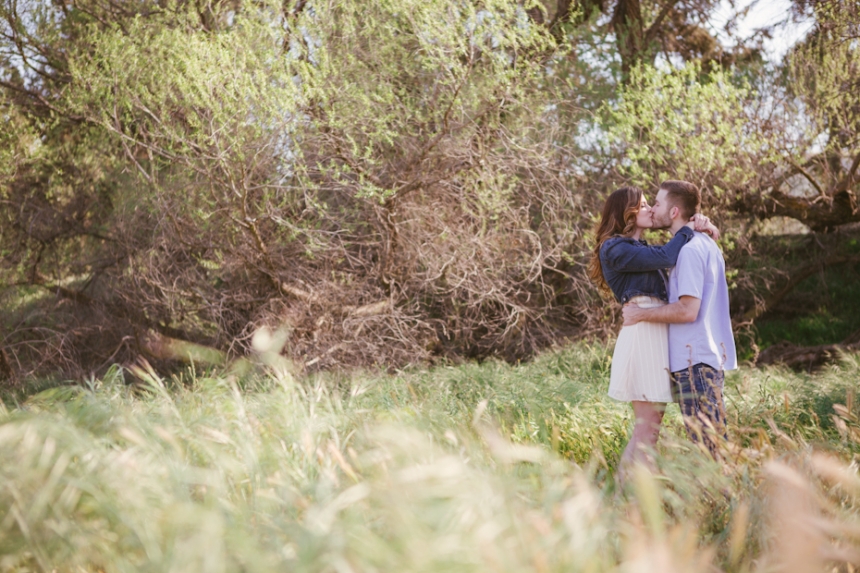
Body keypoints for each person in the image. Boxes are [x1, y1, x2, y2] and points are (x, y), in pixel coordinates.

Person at [589, 186, 718, 474]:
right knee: (646, 431)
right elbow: (667, 256)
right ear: (627, 211)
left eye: (651, 203)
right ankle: (627, 501)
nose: (649, 209)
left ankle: (632, 501)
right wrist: (688, 227)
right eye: (644, 204)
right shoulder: (614, 247)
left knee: (651, 430)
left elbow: (666, 257)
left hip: (652, 329)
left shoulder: (640, 248)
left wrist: (702, 223)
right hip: (643, 332)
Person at [622, 180, 737, 459]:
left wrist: (640, 315)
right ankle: (726, 500)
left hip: (694, 361)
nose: (653, 208)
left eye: (658, 203)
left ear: (674, 212)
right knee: (712, 443)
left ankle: (729, 501)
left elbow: (687, 310)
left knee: (709, 449)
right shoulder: (704, 243)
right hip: (701, 359)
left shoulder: (688, 251)